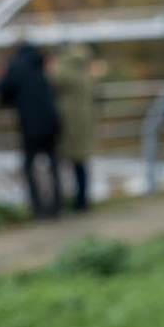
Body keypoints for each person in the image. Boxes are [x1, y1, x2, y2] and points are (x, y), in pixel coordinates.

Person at [0, 41, 61, 219]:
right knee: (53, 165)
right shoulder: (41, 65)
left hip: (30, 125)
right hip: (51, 122)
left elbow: (3, 91)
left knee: (29, 167)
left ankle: (37, 208)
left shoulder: (16, 66)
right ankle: (56, 206)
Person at [49, 43, 101, 211]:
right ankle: (82, 200)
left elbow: (52, 80)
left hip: (67, 124)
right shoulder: (85, 74)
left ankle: (65, 200)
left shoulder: (65, 72)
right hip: (84, 123)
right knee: (80, 163)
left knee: (65, 163)